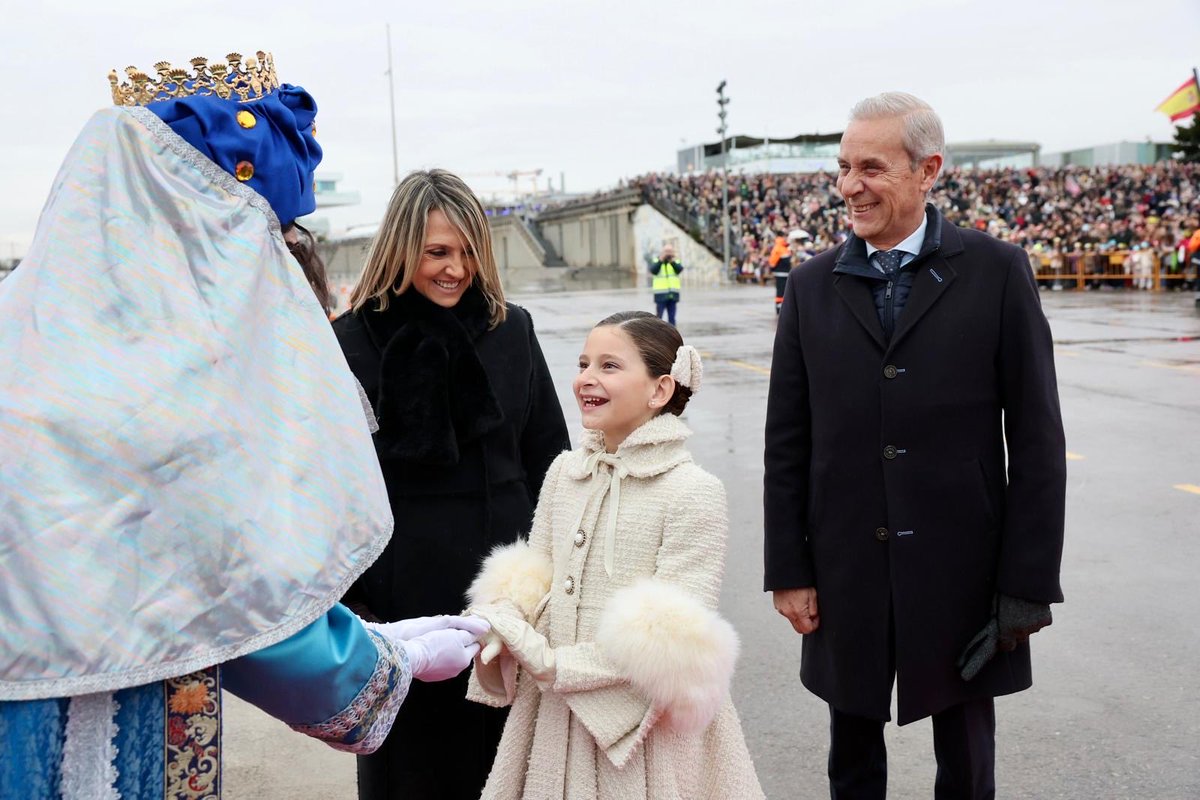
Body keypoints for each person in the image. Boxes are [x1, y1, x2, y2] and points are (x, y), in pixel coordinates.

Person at [0, 52, 488, 798]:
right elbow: (226, 586)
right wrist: (384, 661)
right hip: (88, 745)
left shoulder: (34, 352)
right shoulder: (162, 400)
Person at [764, 92, 1066, 799]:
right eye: (843, 167)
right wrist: (789, 567)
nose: (849, 186)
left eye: (871, 167)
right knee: (852, 758)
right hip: (845, 566)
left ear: (927, 169)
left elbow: (1038, 438)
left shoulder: (996, 271)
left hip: (964, 567)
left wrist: (1026, 583)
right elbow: (787, 442)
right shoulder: (808, 287)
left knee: (966, 760)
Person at [332, 169, 570, 800]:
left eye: (468, 252)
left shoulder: (510, 327)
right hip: (398, 601)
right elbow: (329, 483)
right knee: (408, 772)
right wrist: (354, 603)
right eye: (437, 252)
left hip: (507, 594)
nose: (455, 269)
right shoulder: (349, 340)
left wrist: (563, 575)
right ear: (402, 248)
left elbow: (550, 456)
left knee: (505, 770)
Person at [465, 311, 764, 799]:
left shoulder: (694, 491)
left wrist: (555, 665)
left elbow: (674, 638)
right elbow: (535, 570)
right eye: (584, 363)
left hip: (643, 727)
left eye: (609, 366)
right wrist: (503, 619)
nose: (586, 378)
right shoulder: (565, 472)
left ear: (660, 390)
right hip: (554, 713)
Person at [648, 244, 682, 325]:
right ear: (662, 252)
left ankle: (672, 336)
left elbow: (679, 269)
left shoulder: (675, 261)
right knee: (659, 318)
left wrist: (672, 261)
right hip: (660, 295)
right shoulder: (656, 260)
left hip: (673, 294)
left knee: (672, 318)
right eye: (666, 251)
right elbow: (653, 270)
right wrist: (661, 260)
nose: (668, 254)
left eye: (670, 251)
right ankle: (658, 335)